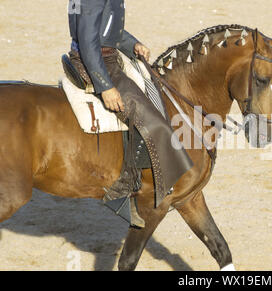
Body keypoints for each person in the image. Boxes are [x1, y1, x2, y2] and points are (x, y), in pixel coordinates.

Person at [67, 0, 193, 228]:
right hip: (96, 63)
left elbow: (105, 28)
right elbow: (87, 40)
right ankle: (123, 192)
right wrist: (104, 86)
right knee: (152, 121)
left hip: (105, 55)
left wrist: (132, 44)